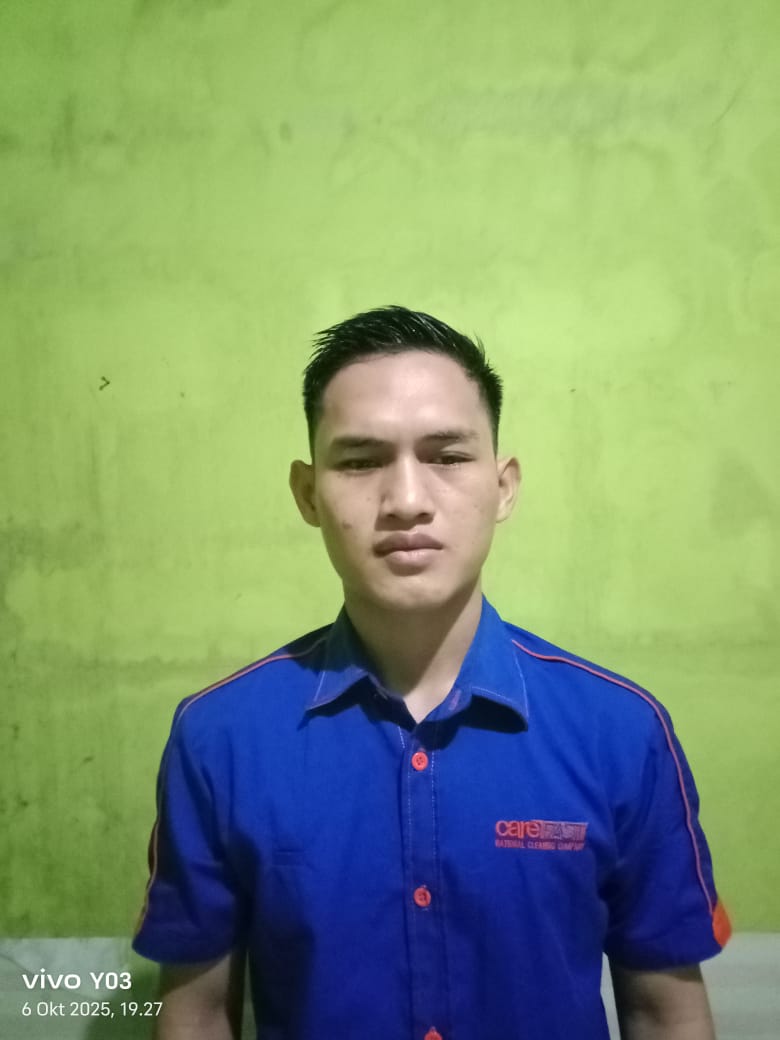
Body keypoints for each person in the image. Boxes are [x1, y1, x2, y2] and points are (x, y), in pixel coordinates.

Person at [132, 305, 731, 1040]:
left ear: (503, 487)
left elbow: (665, 1013)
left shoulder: (623, 732)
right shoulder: (220, 738)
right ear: (308, 493)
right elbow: (195, 1015)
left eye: (447, 456)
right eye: (360, 461)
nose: (408, 502)